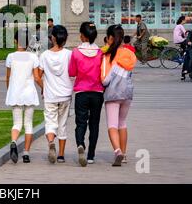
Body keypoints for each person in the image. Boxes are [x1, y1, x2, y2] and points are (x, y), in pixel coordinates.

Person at [69, 22, 104, 166]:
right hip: (97, 92)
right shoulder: (101, 53)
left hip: (81, 92)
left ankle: (80, 144)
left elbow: (71, 72)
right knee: (94, 124)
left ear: (82, 35)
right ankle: (91, 155)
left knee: (81, 122)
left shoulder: (76, 52)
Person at [102, 24, 137, 166]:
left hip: (112, 94)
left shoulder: (107, 56)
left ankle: (118, 152)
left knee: (112, 124)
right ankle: (124, 153)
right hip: (127, 93)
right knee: (122, 123)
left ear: (110, 38)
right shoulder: (130, 54)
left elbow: (104, 80)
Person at [6, 29, 43, 164]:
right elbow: (37, 77)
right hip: (29, 93)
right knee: (28, 124)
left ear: (15, 40)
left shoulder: (10, 56)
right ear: (28, 42)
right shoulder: (33, 57)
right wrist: (43, 88)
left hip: (15, 93)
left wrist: (9, 90)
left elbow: (8, 77)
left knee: (16, 123)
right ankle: (26, 153)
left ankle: (14, 141)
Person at [39, 25, 73, 164]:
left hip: (50, 95)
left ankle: (51, 143)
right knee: (62, 124)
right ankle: (61, 155)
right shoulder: (69, 54)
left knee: (50, 123)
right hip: (65, 94)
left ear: (52, 38)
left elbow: (38, 75)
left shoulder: (45, 55)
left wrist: (43, 87)